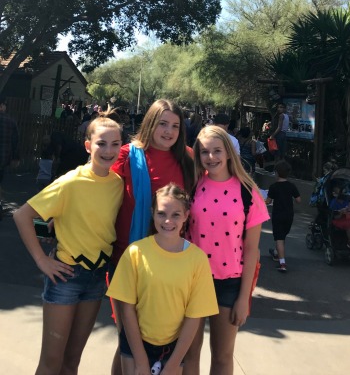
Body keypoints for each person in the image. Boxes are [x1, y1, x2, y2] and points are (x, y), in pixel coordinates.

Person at [13, 111, 124, 375]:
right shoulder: (71, 181)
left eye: (115, 144)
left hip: (97, 278)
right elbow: (23, 215)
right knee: (51, 363)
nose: (108, 150)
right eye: (101, 143)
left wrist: (54, 223)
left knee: (72, 361)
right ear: (88, 145)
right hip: (66, 277)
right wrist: (42, 260)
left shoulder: (118, 184)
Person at [110, 98, 194, 375]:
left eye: (175, 126)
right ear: (150, 124)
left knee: (161, 341)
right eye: (162, 124)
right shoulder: (126, 155)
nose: (169, 131)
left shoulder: (188, 159)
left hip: (171, 264)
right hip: (128, 258)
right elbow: (98, 189)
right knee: (127, 340)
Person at [107, 184, 218, 375]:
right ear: (152, 213)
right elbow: (127, 309)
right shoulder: (135, 252)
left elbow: (194, 317)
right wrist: (141, 361)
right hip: (135, 345)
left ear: (186, 215)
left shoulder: (197, 259)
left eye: (176, 214)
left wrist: (173, 364)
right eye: (161, 213)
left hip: (173, 349)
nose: (168, 220)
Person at [185, 126, 269, 375]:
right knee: (189, 353)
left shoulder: (248, 193)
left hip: (230, 285)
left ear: (229, 152)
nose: (211, 158)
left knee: (222, 357)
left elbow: (252, 250)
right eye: (204, 152)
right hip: (192, 281)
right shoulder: (192, 187)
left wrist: (244, 298)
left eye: (217, 151)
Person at [266, 160, 301, 272]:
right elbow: (298, 200)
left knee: (279, 238)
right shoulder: (291, 186)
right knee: (283, 235)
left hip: (278, 214)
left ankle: (282, 263)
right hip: (289, 215)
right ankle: (276, 253)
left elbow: (268, 201)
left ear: (276, 173)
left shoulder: (273, 187)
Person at [0, 95, 20, 219]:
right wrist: (15, 157)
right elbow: (15, 141)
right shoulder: (11, 121)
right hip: (3, 157)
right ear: (2, 105)